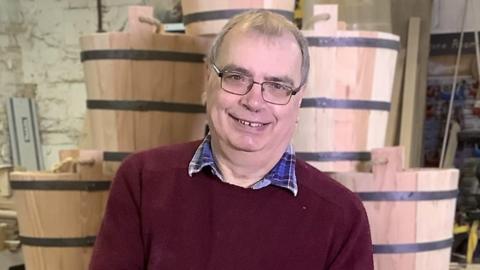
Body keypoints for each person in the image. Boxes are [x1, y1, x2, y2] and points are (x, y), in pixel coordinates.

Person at [89, 10, 373, 270]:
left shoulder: (341, 217)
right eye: (237, 77)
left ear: (298, 99)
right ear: (208, 80)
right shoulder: (142, 181)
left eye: (277, 86)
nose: (254, 101)